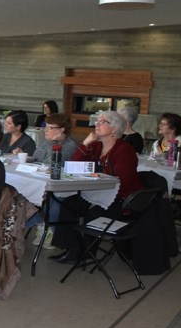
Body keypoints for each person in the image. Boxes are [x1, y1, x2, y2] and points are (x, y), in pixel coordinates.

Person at [49, 111, 143, 263]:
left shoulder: (124, 150)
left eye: (103, 122)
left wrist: (98, 196)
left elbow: (124, 181)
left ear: (114, 129)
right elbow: (74, 166)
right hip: (94, 193)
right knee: (68, 204)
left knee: (92, 215)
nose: (97, 124)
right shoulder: (96, 146)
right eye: (97, 121)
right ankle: (71, 249)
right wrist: (85, 144)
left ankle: (86, 253)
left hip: (121, 199)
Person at [26, 113, 79, 248]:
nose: (46, 130)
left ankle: (51, 231)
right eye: (46, 127)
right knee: (20, 193)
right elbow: (35, 157)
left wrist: (54, 143)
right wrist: (24, 157)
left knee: (52, 201)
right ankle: (40, 223)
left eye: (50, 127)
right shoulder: (46, 141)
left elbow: (57, 164)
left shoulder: (71, 144)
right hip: (40, 179)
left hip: (61, 186)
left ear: (62, 129)